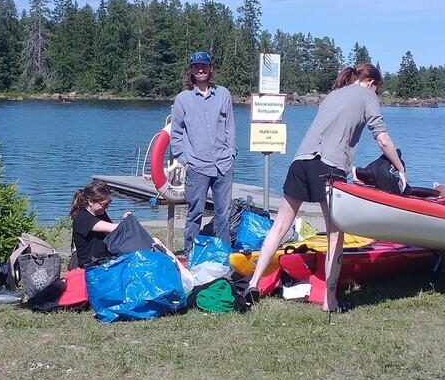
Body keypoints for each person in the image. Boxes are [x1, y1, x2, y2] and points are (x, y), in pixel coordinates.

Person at [246, 63, 406, 312]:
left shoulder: (333, 94)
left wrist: (351, 168)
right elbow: (382, 138)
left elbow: (334, 132)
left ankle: (253, 284)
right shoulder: (367, 96)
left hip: (301, 162)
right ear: (372, 83)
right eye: (378, 89)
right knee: (335, 235)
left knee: (280, 226)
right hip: (327, 167)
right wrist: (400, 167)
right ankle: (329, 301)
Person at [170, 51, 237, 254]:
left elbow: (230, 127)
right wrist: (184, 159)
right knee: (194, 213)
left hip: (223, 164)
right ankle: (191, 252)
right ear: (191, 70)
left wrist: (232, 153)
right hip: (197, 166)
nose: (201, 70)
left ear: (211, 69)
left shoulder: (224, 94)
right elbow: (176, 133)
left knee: (223, 213)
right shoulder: (183, 99)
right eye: (196, 66)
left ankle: (223, 253)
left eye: (204, 66)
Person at [69, 181, 132, 268]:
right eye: (104, 204)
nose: (107, 207)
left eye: (109, 203)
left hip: (105, 260)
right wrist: (127, 222)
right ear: (90, 202)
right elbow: (114, 228)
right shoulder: (82, 218)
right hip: (91, 266)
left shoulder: (101, 213)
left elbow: (113, 234)